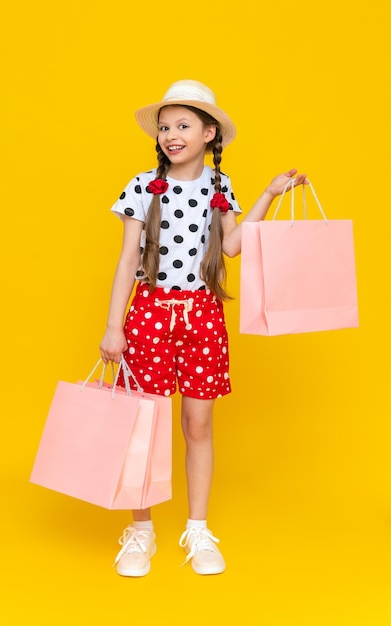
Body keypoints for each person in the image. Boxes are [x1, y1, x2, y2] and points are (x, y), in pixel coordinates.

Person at [100, 79, 307, 577]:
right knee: (142, 429)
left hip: (202, 315)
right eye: (165, 126)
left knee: (198, 424)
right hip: (148, 315)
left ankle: (197, 528)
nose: (171, 134)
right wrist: (113, 325)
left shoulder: (219, 188)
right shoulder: (142, 186)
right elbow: (128, 258)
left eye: (183, 125)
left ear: (209, 133)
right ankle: (141, 530)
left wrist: (268, 194)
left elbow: (232, 246)